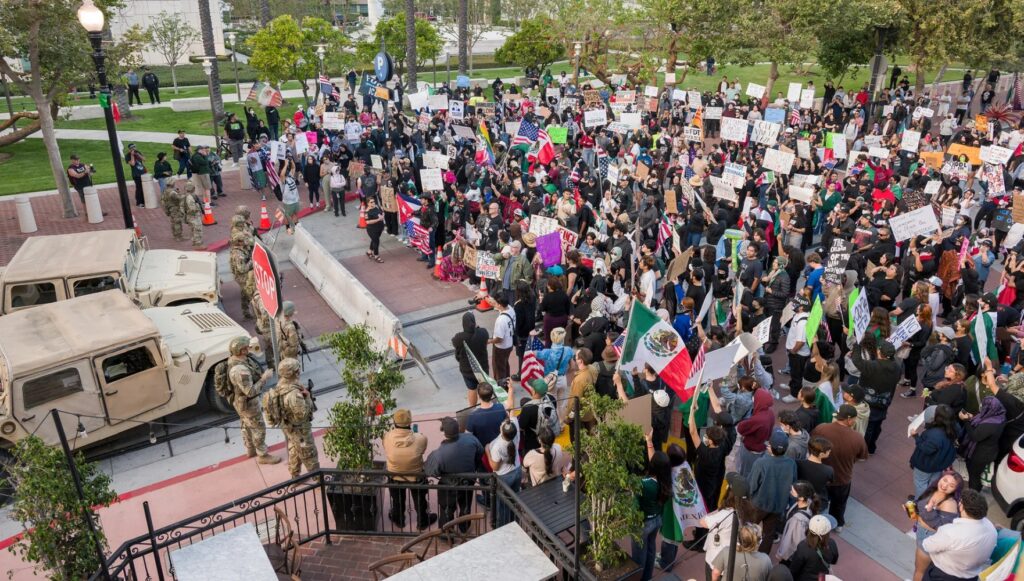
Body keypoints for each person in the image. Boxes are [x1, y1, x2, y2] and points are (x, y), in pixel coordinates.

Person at [225, 336, 280, 465]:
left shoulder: (236, 360)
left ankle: (250, 449)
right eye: (246, 347)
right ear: (241, 350)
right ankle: (263, 455)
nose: (248, 348)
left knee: (246, 425)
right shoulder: (240, 370)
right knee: (258, 428)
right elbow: (250, 391)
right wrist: (264, 378)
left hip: (241, 402)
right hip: (249, 403)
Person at [920, 489, 998, 581]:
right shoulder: (991, 528)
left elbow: (927, 545)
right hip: (971, 577)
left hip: (943, 576)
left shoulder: (951, 532)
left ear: (961, 506)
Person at [812, 404, 868, 531]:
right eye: (854, 419)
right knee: (839, 504)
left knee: (818, 501)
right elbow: (862, 456)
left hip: (821, 474)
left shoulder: (821, 428)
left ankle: (815, 521)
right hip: (842, 477)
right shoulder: (857, 438)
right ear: (849, 420)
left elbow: (812, 442)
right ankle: (837, 523)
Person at [424, 417, 484, 528]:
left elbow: (430, 471)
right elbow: (480, 452)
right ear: (458, 428)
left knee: (447, 510)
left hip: (448, 486)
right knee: (465, 506)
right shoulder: (471, 439)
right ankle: (464, 528)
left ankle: (447, 534)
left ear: (445, 433)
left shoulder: (439, 453)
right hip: (468, 481)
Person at [382, 409, 437, 530]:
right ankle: (422, 521)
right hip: (415, 475)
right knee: (420, 499)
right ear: (410, 422)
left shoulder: (387, 437)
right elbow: (422, 451)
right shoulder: (421, 438)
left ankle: (398, 519)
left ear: (394, 422)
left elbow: (386, 448)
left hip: (394, 475)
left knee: (397, 499)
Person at [267, 358, 319, 478]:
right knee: (308, 451)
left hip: (288, 426)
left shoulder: (281, 385)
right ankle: (317, 477)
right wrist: (307, 397)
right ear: (293, 372)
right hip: (299, 428)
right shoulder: (294, 394)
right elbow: (303, 414)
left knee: (294, 448)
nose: (299, 371)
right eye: (297, 369)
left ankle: (294, 475)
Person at [748, 430, 798, 554]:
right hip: (778, 506)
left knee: (748, 528)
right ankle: (763, 557)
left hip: (759, 504)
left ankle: (745, 552)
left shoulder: (761, 463)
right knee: (769, 534)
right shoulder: (791, 463)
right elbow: (793, 484)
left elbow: (751, 485)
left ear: (771, 447)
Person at [909, 471, 964, 581]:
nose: (945, 485)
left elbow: (943, 529)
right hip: (922, 534)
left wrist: (924, 515)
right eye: (944, 480)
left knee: (920, 570)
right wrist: (911, 508)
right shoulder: (933, 490)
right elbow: (920, 505)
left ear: (955, 490)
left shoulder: (949, 503)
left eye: (951, 485)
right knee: (919, 567)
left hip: (930, 538)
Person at [633, 444, 671, 581]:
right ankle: (647, 577)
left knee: (639, 556)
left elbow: (634, 499)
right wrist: (649, 443)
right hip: (657, 519)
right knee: (650, 549)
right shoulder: (666, 481)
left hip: (644, 523)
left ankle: (638, 578)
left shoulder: (645, 483)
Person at [910, 405, 958, 497]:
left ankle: (921, 503)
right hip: (941, 462)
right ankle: (929, 500)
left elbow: (926, 449)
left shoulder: (935, 435)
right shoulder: (954, 427)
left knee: (921, 483)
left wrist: (916, 437)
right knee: (932, 482)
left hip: (926, 464)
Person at [959, 396, 1005, 491]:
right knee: (975, 473)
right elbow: (982, 420)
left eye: (983, 406)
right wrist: (972, 417)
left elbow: (975, 436)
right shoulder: (998, 416)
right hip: (988, 451)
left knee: (974, 476)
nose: (981, 407)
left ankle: (973, 494)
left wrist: (966, 421)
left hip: (981, 454)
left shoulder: (991, 424)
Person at [452, 312, 490, 407]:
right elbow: (485, 338)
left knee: (471, 389)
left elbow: (454, 343)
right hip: (482, 368)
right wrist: (477, 328)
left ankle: (472, 408)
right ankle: (485, 406)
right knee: (484, 388)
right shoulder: (483, 332)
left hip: (467, 370)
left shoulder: (459, 337)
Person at [488, 418, 522, 526]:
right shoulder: (515, 433)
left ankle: (503, 526)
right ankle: (514, 522)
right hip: (517, 471)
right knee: (514, 499)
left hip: (504, 477)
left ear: (502, 431)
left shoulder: (497, 446)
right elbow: (512, 415)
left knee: (502, 505)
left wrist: (487, 451)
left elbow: (495, 467)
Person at [775, 481, 817, 563]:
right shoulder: (807, 503)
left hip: (789, 556)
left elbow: (795, 542)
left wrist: (781, 554)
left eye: (793, 491)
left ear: (801, 498)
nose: (791, 492)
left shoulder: (798, 520)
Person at [787, 515, 839, 581]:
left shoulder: (803, 547)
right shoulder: (832, 543)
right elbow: (834, 561)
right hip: (822, 578)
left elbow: (794, 568)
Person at [466, 382, 507, 449]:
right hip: (499, 445)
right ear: (491, 395)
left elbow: (468, 436)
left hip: (482, 448)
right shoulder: (501, 407)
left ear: (479, 397)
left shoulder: (473, 416)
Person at [487, 294, 516, 381]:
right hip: (509, 344)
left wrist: (489, 341)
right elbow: (498, 305)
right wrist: (492, 302)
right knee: (505, 365)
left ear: (500, 305)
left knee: (499, 369)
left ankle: (502, 388)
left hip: (501, 348)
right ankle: (507, 383)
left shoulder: (500, 320)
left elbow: (499, 339)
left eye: (496, 303)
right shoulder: (510, 309)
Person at [229, 232, 254, 319]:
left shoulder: (240, 249)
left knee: (244, 293)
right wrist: (252, 261)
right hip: (242, 277)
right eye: (244, 240)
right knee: (251, 294)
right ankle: (256, 315)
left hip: (242, 276)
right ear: (239, 242)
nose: (246, 241)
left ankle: (246, 313)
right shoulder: (238, 254)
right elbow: (242, 269)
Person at [364, 196, 385, 262]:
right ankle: (376, 256)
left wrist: (382, 216)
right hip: (372, 229)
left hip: (380, 227)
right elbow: (368, 222)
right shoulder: (367, 212)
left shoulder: (377, 206)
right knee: (376, 241)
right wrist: (378, 219)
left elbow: (382, 212)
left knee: (374, 240)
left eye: (374, 201)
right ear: (368, 203)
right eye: (371, 202)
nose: (373, 203)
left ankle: (369, 252)